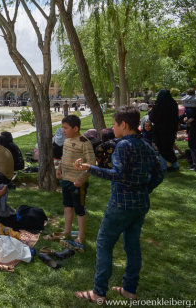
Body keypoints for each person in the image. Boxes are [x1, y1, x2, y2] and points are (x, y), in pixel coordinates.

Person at [73, 106, 163, 304]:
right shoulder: (147, 145)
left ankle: (99, 292)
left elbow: (118, 174)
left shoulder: (123, 146)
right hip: (140, 204)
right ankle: (129, 290)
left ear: (124, 124)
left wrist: (90, 168)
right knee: (132, 245)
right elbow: (159, 174)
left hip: (121, 204)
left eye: (114, 124)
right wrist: (143, 189)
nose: (112, 128)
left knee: (104, 244)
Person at [56, 115, 95, 253]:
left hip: (78, 183)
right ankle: (67, 231)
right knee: (67, 206)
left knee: (79, 209)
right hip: (66, 179)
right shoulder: (67, 140)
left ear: (76, 128)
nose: (63, 130)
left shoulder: (84, 142)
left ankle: (81, 236)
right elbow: (64, 156)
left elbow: (91, 164)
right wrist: (59, 168)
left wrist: (81, 180)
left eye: (65, 128)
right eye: (63, 127)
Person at [148, 89, 179, 171]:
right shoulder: (173, 104)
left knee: (162, 148)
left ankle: (164, 166)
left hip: (160, 131)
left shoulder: (158, 105)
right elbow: (176, 117)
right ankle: (174, 165)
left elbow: (152, 118)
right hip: (171, 130)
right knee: (169, 147)